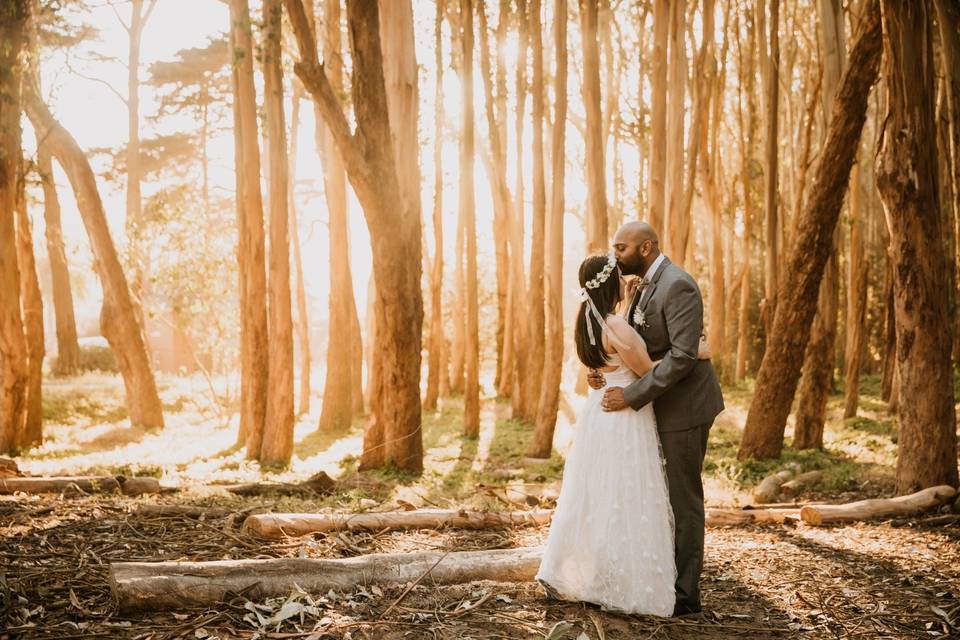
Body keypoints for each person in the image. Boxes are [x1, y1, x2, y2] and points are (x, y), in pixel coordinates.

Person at [535, 252, 711, 616]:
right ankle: (628, 580)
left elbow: (602, 364)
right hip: (626, 418)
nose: (624, 278)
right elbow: (647, 369)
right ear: (610, 282)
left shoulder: (586, 322)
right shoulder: (617, 326)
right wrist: (695, 351)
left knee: (603, 496)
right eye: (618, 275)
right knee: (631, 497)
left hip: (599, 418)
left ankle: (597, 574)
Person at [592, 221, 725, 617]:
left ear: (646, 247)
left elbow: (683, 357)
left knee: (683, 500)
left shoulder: (677, 284)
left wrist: (631, 396)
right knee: (660, 497)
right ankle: (661, 578)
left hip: (685, 407)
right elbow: (638, 345)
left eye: (622, 247)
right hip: (659, 405)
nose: (615, 255)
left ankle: (685, 596)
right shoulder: (640, 287)